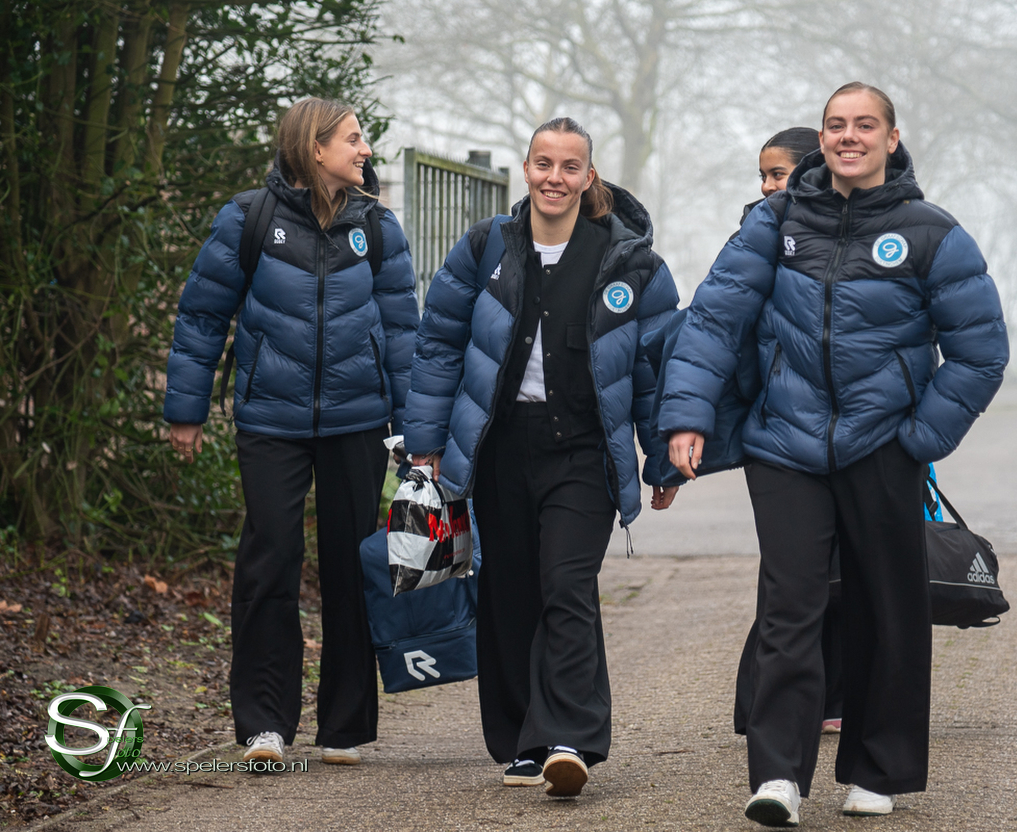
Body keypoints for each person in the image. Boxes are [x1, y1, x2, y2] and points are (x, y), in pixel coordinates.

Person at [660, 83, 1008, 826]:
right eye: (835, 125)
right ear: (821, 140)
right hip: (784, 445)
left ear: (891, 138)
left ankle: (878, 771)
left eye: (864, 125)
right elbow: (714, 320)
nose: (849, 136)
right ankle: (778, 777)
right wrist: (686, 416)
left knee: (887, 608)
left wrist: (920, 437)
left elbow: (980, 352)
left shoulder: (932, 233)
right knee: (790, 607)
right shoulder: (776, 221)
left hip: (883, 448)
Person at [402, 117, 680, 798]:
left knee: (566, 585)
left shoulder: (631, 263)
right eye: (543, 164)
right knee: (510, 591)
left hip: (583, 450)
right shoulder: (484, 247)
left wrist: (663, 456)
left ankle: (570, 739)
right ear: (526, 170)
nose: (555, 177)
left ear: (589, 177)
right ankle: (522, 740)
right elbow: (439, 345)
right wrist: (426, 444)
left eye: (569, 166)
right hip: (501, 448)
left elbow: (656, 366)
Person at [164, 97, 419, 768]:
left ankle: (344, 727)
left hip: (358, 420)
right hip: (270, 421)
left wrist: (417, 431)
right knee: (270, 559)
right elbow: (201, 317)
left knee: (350, 565)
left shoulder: (378, 226)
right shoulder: (248, 218)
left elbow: (403, 333)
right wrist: (186, 409)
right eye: (353, 138)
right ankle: (264, 725)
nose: (365, 149)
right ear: (315, 147)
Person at [729, 126, 848, 739]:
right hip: (779, 429)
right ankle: (766, 703)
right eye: (763, 175)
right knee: (790, 576)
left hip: (853, 432)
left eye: (777, 174)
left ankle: (835, 695)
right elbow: (726, 322)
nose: (767, 186)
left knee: (844, 572)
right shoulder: (756, 235)